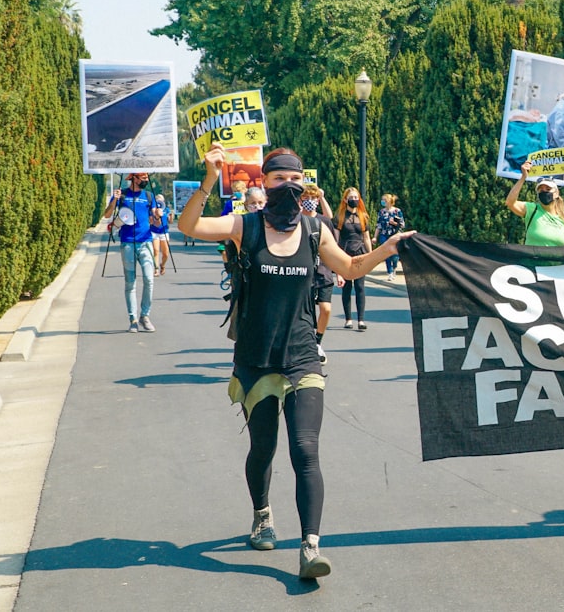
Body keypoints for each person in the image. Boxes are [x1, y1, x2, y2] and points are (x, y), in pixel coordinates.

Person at [177, 142, 413, 580]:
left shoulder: (314, 230)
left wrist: (391, 247)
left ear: (304, 183)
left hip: (303, 355)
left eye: (294, 178)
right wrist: (210, 178)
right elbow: (188, 225)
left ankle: (310, 547)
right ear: (264, 184)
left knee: (305, 450)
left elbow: (354, 266)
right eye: (279, 178)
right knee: (263, 448)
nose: (288, 185)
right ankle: (262, 513)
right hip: (256, 358)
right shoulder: (244, 226)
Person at [102, 173, 160, 332]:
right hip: (127, 243)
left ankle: (145, 315)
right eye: (143, 178)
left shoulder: (148, 196)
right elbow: (107, 215)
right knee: (130, 282)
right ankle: (133, 319)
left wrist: (158, 216)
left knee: (149, 279)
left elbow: (156, 220)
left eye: (147, 178)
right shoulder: (122, 195)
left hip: (145, 242)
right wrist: (114, 199)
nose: (146, 181)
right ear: (134, 178)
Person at [301, 183, 343, 363]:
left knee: (325, 309)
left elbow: (333, 249)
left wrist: (339, 271)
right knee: (307, 312)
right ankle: (308, 343)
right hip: (304, 272)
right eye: (306, 198)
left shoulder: (323, 221)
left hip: (323, 271)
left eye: (313, 198)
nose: (310, 201)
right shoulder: (297, 220)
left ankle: (318, 340)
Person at [505, 162, 564, 247]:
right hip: (532, 260)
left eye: (548, 189)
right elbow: (510, 202)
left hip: (555, 260)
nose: (544, 192)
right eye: (541, 190)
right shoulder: (532, 209)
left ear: (556, 193)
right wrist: (523, 177)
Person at [335, 187, 371, 330]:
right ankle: (348, 319)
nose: (354, 200)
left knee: (360, 286)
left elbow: (366, 237)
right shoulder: (340, 217)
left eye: (356, 197)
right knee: (347, 286)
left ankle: (361, 320)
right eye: (351, 197)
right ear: (345, 199)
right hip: (345, 253)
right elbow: (336, 239)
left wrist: (371, 255)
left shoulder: (363, 216)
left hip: (360, 253)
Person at [372, 193, 405, 281]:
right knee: (386, 254)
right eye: (382, 200)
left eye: (385, 200)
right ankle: (389, 272)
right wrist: (375, 237)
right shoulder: (382, 212)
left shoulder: (397, 211)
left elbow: (402, 224)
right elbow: (378, 225)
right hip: (384, 234)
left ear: (390, 201)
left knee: (394, 255)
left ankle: (394, 266)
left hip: (394, 234)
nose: (383, 202)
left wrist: (394, 223)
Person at [150, 194, 173, 276]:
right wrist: (156, 215)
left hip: (164, 232)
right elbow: (151, 222)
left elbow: (170, 222)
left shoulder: (166, 209)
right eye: (158, 201)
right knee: (156, 251)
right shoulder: (153, 210)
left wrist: (171, 215)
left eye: (161, 200)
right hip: (154, 232)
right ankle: (156, 269)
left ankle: (162, 265)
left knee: (166, 253)